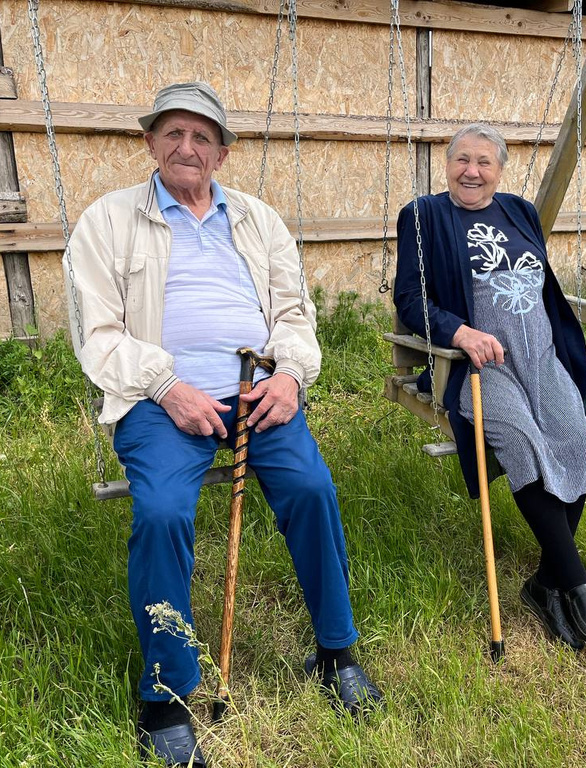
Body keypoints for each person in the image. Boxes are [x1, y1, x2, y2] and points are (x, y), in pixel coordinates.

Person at [67, 81, 382, 767]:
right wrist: (166, 385)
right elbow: (97, 334)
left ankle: (336, 652)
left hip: (257, 390)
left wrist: (290, 376)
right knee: (161, 512)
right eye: (173, 133)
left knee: (311, 489)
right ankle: (167, 694)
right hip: (159, 399)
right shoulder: (107, 221)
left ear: (222, 154)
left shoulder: (258, 220)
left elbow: (294, 315)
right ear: (150, 143)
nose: (187, 147)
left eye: (202, 137)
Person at [393, 123, 586, 653]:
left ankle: (544, 583)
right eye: (461, 160)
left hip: (541, 360)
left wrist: (573, 355)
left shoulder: (520, 211)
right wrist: (460, 333)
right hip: (480, 367)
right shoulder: (424, 216)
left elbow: (545, 292)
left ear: (499, 171)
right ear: (447, 164)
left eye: (484, 162)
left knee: (577, 439)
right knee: (522, 443)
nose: (471, 171)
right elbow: (409, 299)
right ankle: (576, 581)